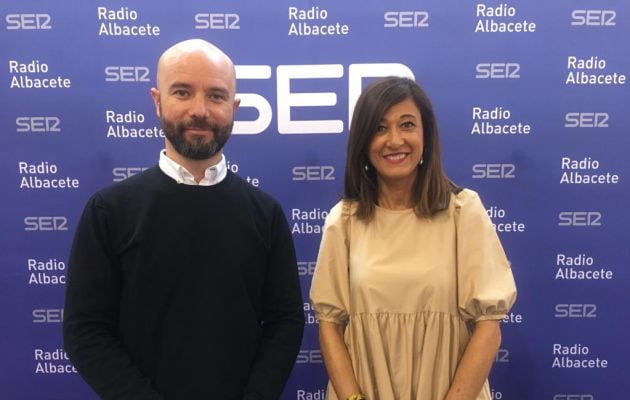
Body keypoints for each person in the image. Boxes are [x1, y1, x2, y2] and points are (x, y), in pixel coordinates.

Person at [63, 39, 304, 400]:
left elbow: (286, 322)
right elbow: (85, 330)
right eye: (183, 92)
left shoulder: (265, 213)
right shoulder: (109, 211)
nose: (200, 110)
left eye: (216, 96)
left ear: (235, 108)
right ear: (157, 100)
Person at [310, 76, 516, 400]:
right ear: (363, 142)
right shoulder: (344, 220)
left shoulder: (464, 211)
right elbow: (329, 325)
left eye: (407, 125)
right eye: (379, 128)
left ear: (425, 135)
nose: (394, 140)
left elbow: (489, 327)